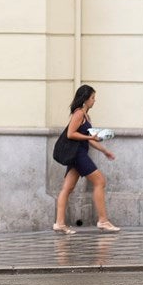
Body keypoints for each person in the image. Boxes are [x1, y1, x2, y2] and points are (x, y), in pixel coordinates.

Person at [53, 84, 119, 235]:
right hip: (78, 154)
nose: (94, 101)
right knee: (100, 181)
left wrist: (105, 151)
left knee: (67, 188)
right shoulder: (79, 114)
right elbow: (71, 134)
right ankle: (103, 220)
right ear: (85, 99)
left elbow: (90, 139)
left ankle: (59, 223)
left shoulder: (85, 115)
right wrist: (90, 136)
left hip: (79, 153)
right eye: (93, 98)